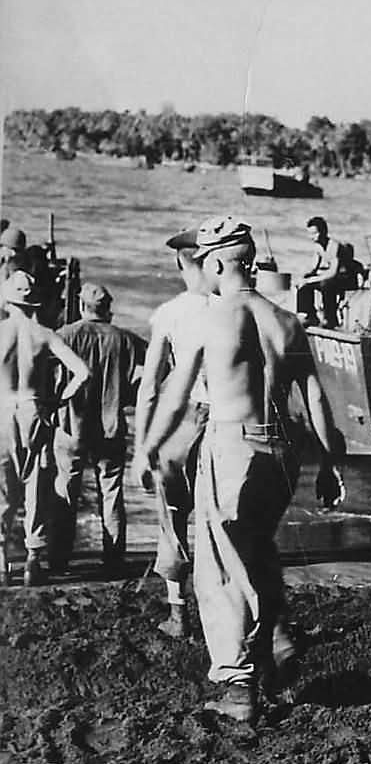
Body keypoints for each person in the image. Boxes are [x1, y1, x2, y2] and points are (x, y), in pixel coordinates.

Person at [139, 215, 344, 723]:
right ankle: (274, 638)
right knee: (254, 546)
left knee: (217, 567)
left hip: (231, 444)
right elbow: (316, 398)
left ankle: (236, 686)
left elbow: (177, 391)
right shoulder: (288, 321)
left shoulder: (214, 318)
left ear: (214, 263)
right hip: (282, 450)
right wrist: (329, 464)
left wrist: (148, 444)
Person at [131, 240, 212, 638]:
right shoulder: (233, 309)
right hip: (230, 419)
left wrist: (141, 447)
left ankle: (179, 615)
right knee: (224, 522)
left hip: (188, 415)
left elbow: (148, 388)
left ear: (181, 263)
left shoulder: (170, 313)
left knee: (173, 515)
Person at [0, 271, 90, 586]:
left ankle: (1, 561)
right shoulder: (45, 334)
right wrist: (57, 401)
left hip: (2, 410)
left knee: (3, 488)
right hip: (34, 409)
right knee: (35, 483)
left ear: (8, 301)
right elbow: (83, 372)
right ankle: (32, 559)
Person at [52, 283, 145, 575]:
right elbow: (154, 372)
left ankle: (58, 558)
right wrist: (127, 395)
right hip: (110, 425)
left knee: (66, 489)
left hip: (71, 425)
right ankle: (114, 558)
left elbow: (47, 374)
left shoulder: (65, 336)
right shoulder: (126, 340)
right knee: (112, 491)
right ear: (108, 309)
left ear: (81, 306)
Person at [297, 216, 362, 328]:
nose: (312, 237)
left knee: (326, 284)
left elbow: (333, 272)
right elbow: (313, 267)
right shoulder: (318, 246)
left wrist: (312, 279)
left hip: (346, 277)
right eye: (310, 234)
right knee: (304, 285)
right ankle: (310, 315)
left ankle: (330, 318)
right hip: (334, 276)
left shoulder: (334, 246)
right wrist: (303, 278)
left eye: (314, 233)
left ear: (324, 232)